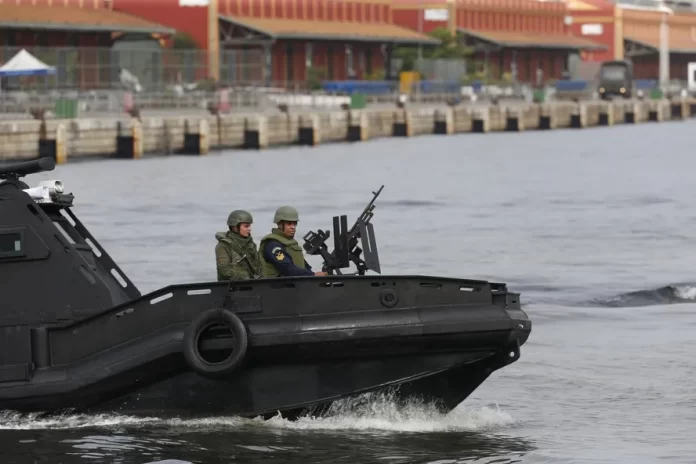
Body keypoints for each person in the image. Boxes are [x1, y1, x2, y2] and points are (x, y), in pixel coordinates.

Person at [259, 206, 328, 278]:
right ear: (279, 224)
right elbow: (287, 268)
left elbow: (305, 267)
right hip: (278, 287)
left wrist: (313, 274)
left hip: (295, 285)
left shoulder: (291, 244)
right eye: (289, 224)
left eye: (294, 224)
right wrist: (313, 275)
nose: (293, 227)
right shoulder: (273, 245)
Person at [215, 209, 262, 281]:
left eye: (249, 226)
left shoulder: (250, 244)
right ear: (235, 227)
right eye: (246, 226)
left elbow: (258, 266)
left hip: (252, 285)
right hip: (233, 288)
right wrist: (247, 277)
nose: (250, 229)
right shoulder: (223, 246)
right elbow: (225, 271)